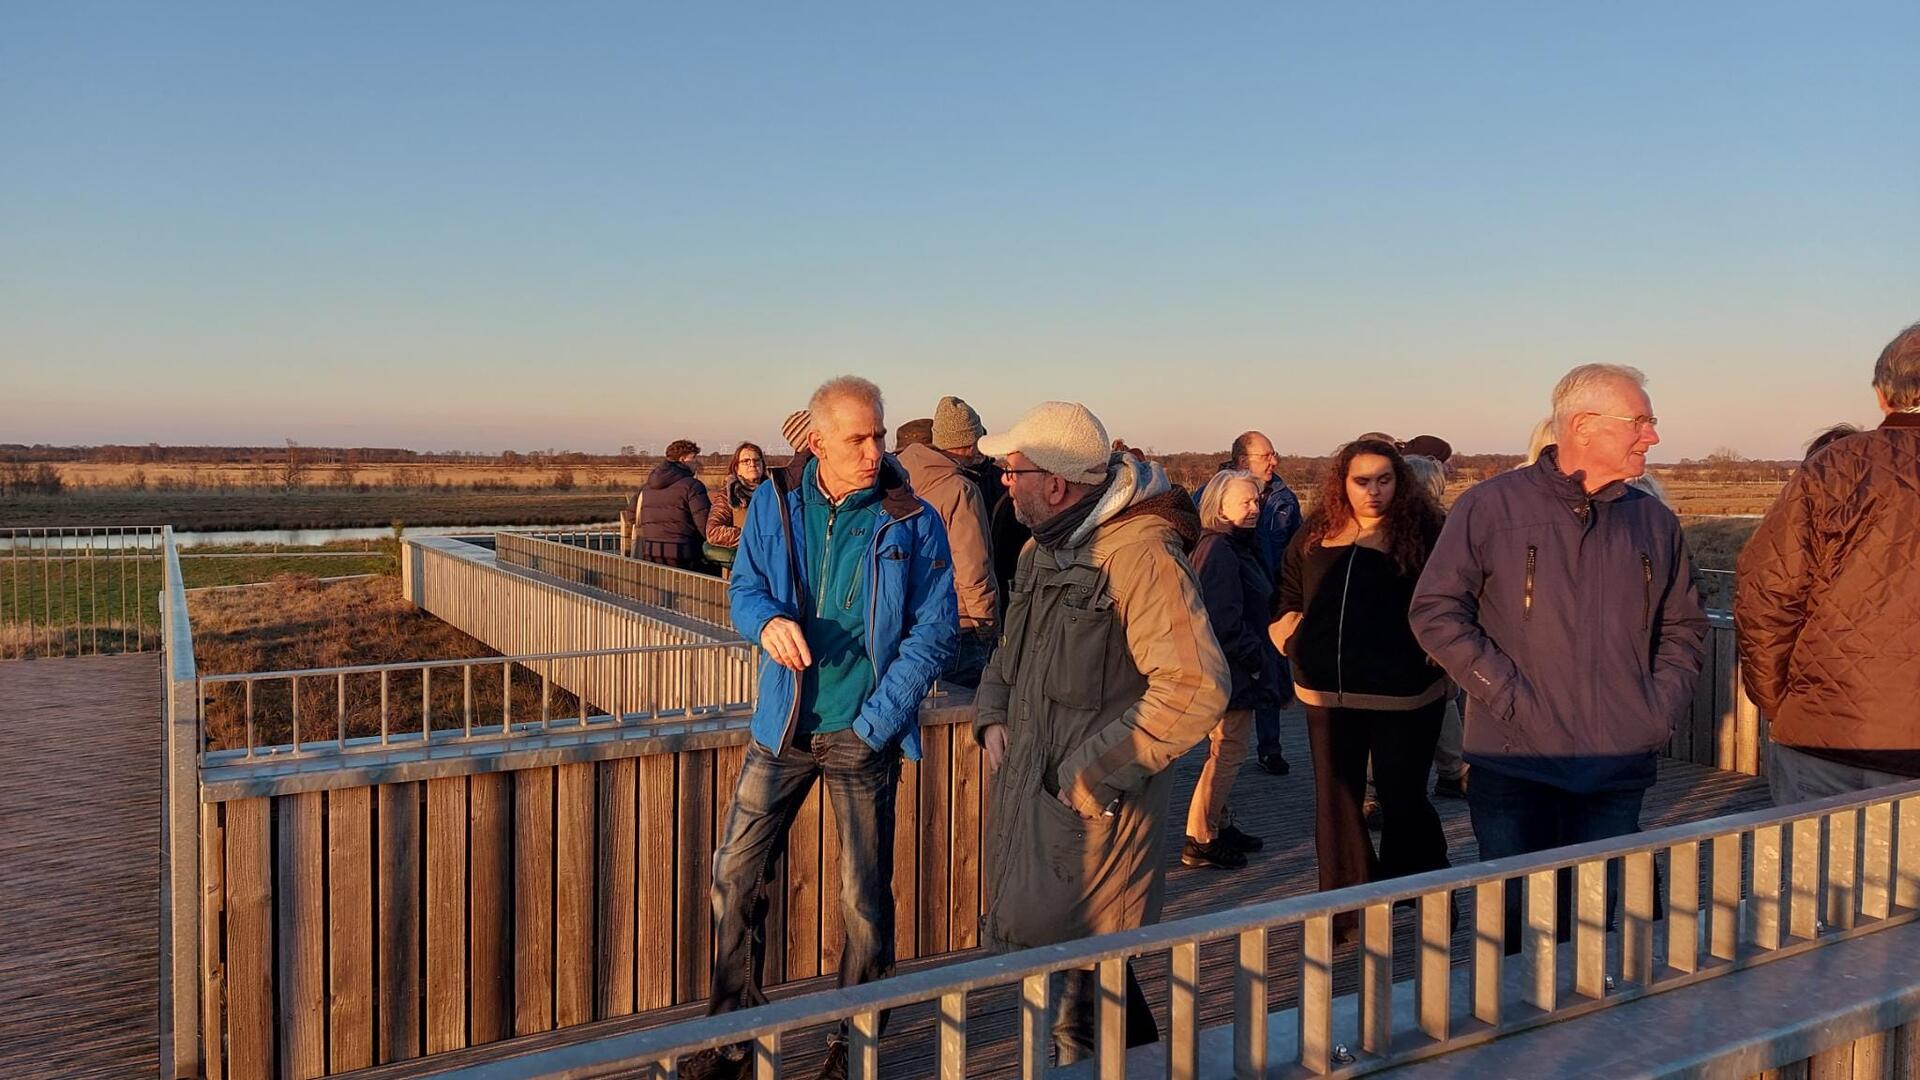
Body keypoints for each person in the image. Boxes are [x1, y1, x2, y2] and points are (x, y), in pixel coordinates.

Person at [685, 376, 957, 1080]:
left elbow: (933, 632)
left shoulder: (912, 519)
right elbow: (745, 589)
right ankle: (733, 1040)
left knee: (862, 899)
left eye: (879, 434)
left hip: (860, 734)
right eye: (857, 439)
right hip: (782, 728)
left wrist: (876, 722)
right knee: (733, 878)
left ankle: (854, 1047)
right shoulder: (774, 505)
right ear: (817, 442)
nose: (874, 451)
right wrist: (766, 622)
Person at [1411, 364, 1707, 953]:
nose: (1653, 435)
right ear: (1583, 425)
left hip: (1617, 760)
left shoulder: (1652, 521)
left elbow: (1684, 626)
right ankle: (1512, 1040)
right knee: (1513, 920)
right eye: (1641, 421)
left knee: (1595, 919)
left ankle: (1587, 1037)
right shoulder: (1491, 507)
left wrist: (1656, 707)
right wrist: (1506, 693)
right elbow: (1436, 610)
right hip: (1515, 758)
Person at [974, 400, 1229, 1066]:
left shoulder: (1139, 557)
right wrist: (992, 711)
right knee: (1084, 984)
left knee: (1082, 1002)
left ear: (1054, 484)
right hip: (1038, 803)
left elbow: (1196, 688)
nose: (1004, 480)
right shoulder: (1042, 551)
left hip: (1092, 820)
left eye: (1013, 470)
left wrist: (1086, 779)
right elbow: (1011, 650)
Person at [1272, 439, 1450, 939]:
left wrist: (1438, 651)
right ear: (1342, 482)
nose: (1373, 492)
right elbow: (1287, 584)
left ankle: (1424, 891)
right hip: (1325, 691)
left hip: (1406, 693)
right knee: (1337, 800)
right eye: (1361, 481)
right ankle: (1350, 913)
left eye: (1384, 480)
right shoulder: (1317, 530)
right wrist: (1288, 630)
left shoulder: (1427, 531)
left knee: (1403, 798)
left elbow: (1457, 592)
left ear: (1400, 480)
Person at [1737, 322, 1920, 804]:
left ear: (1884, 395)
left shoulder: (1836, 466)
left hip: (1826, 735)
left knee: (1815, 878)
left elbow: (1767, 593)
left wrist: (1784, 702)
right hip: (1831, 732)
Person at [1180, 469, 1275, 869]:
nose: (1254, 508)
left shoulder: (1232, 545)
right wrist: (1256, 659)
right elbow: (1221, 619)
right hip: (1231, 667)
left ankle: (1218, 820)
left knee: (1226, 747)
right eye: (1245, 502)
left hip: (1233, 663)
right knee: (1227, 750)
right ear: (1220, 507)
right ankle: (1201, 836)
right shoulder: (1219, 550)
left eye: (1256, 500)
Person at [897, 396, 998, 687]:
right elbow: (973, 568)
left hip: (911, 621)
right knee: (968, 717)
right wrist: (987, 626)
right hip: (961, 624)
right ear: (969, 444)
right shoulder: (959, 490)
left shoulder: (898, 480)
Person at [1226, 431, 1303, 777]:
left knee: (1270, 669)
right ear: (1243, 461)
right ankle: (1222, 750)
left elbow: (1298, 549)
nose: (1274, 461)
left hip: (1271, 597)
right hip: (1232, 598)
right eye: (1266, 455)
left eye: (1274, 454)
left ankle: (1270, 748)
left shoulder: (1285, 499)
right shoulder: (1216, 494)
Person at [1404, 452, 1469, 800]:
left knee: (1440, 699)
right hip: (1426, 629)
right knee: (1442, 697)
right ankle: (1452, 769)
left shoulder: (1394, 528)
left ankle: (1450, 769)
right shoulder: (1437, 529)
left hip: (1413, 627)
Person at [639, 439, 713, 569]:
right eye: (694, 458)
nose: (697, 463)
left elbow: (632, 516)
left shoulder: (647, 487)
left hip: (651, 552)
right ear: (684, 459)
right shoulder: (692, 486)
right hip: (683, 554)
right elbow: (705, 525)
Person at [703, 442, 766, 574]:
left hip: (771, 569)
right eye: (746, 461)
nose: (752, 464)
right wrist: (754, 537)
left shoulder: (774, 493)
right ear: (737, 468)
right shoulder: (727, 495)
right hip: (741, 570)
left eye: (756, 460)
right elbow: (713, 532)